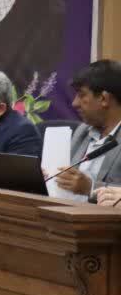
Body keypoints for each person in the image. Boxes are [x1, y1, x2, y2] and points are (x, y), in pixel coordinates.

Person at [54, 60, 121, 202]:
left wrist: (90, 188)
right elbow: (65, 177)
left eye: (81, 95)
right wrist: (52, 177)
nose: (74, 103)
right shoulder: (82, 131)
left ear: (104, 98)